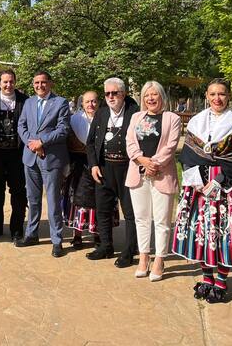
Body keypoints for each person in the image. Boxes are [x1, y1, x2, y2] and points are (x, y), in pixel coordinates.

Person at [172, 79, 232, 304]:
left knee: (223, 233)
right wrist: (197, 182)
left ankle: (221, 282)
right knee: (202, 232)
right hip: (199, 186)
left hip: (227, 186)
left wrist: (217, 182)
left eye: (222, 94)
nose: (217, 98)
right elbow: (188, 156)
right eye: (212, 94)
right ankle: (207, 279)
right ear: (207, 96)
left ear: (228, 96)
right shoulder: (197, 121)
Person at [125, 81, 181, 281]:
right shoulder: (136, 117)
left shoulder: (172, 118)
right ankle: (144, 257)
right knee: (141, 218)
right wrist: (142, 160)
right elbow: (130, 142)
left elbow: (171, 146)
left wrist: (152, 164)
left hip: (161, 175)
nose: (150, 98)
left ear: (161, 96)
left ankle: (159, 259)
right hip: (138, 173)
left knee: (162, 220)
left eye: (154, 94)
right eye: (147, 95)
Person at [15, 70, 70, 258]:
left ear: (50, 83)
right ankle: (31, 235)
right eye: (36, 83)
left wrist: (42, 142)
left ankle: (57, 240)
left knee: (53, 201)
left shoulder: (60, 102)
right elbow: (21, 125)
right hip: (30, 158)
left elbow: (63, 129)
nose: (40, 85)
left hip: (51, 159)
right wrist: (32, 144)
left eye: (43, 82)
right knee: (33, 199)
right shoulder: (29, 102)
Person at [86, 77, 139, 267]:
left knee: (130, 212)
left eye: (114, 93)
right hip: (104, 168)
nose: (110, 96)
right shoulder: (101, 113)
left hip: (127, 169)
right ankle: (106, 246)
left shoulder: (135, 113)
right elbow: (90, 142)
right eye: (107, 93)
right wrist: (93, 165)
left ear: (123, 94)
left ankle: (129, 251)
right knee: (103, 210)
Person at [0, 69, 28, 241]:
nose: (8, 85)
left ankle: (17, 229)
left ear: (15, 82)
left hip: (17, 154)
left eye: (11, 81)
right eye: (5, 82)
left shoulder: (25, 100)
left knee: (18, 192)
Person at [65, 90, 102, 249]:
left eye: (93, 101)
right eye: (87, 101)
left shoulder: (104, 118)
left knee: (99, 199)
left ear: (98, 103)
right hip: (79, 165)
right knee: (78, 200)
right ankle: (77, 235)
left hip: (100, 164)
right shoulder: (75, 119)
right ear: (82, 103)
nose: (90, 105)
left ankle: (98, 234)